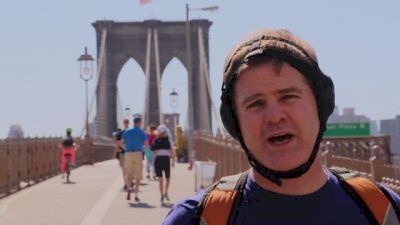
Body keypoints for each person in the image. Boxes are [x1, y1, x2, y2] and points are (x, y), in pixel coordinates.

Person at [163, 29, 400, 224]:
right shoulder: (196, 219)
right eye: (255, 103)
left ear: (321, 104)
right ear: (235, 123)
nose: (274, 116)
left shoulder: (382, 210)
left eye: (288, 96)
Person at [121, 117, 148, 202]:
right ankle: (136, 194)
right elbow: (146, 145)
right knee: (138, 175)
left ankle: (129, 188)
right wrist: (142, 149)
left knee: (129, 174)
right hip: (138, 153)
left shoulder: (127, 131)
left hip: (128, 153)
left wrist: (125, 149)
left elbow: (121, 143)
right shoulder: (142, 132)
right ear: (139, 123)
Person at [151, 124, 175, 203]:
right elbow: (171, 151)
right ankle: (166, 192)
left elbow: (153, 151)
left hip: (158, 160)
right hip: (166, 160)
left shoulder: (156, 141)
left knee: (160, 179)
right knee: (167, 178)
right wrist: (173, 161)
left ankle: (161, 196)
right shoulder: (168, 141)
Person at [113, 118, 130, 190]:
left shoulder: (120, 133)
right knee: (129, 169)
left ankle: (126, 183)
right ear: (128, 123)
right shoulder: (131, 132)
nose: (126, 123)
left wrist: (115, 153)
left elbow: (117, 144)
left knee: (124, 170)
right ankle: (128, 183)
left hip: (123, 153)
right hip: (129, 153)